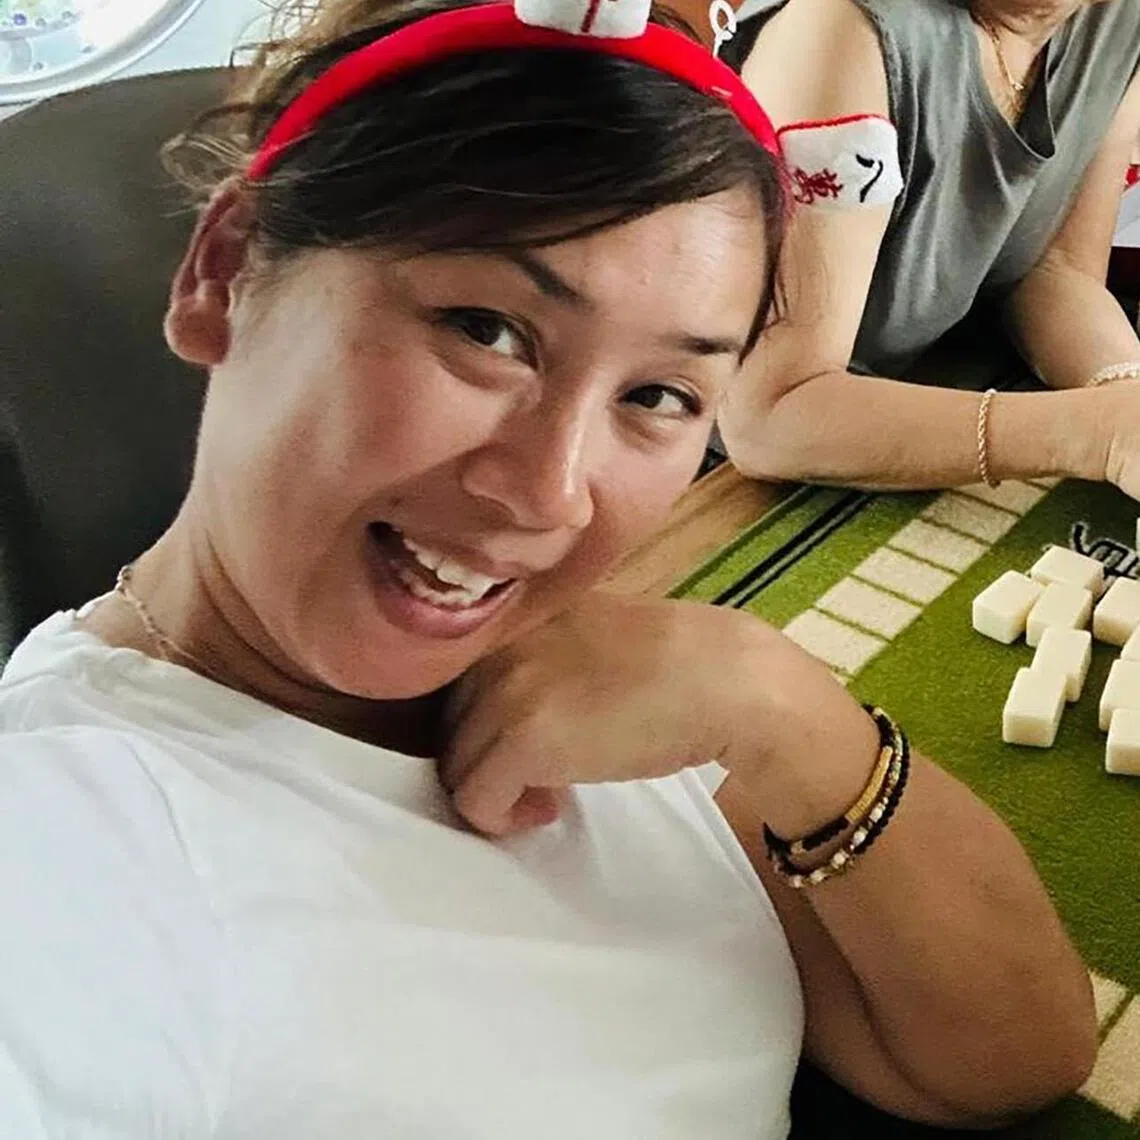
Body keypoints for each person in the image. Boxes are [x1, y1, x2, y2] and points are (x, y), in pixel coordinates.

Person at [0, 0, 1095, 1136]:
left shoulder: (608, 688)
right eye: (486, 331)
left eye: (657, 395)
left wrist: (787, 713)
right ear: (225, 272)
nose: (550, 493)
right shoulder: (67, 830)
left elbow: (1010, 1058)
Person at [717, 0, 1140, 498]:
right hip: (716, 481)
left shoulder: (1119, 18)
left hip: (908, 415)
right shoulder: (837, 34)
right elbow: (767, 415)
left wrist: (1124, 391)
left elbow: (1054, 269)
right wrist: (1094, 432)